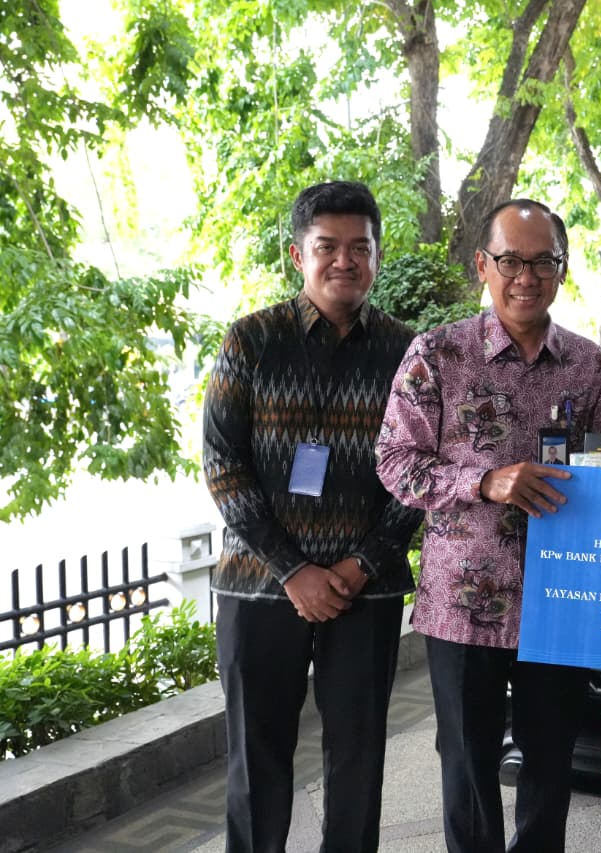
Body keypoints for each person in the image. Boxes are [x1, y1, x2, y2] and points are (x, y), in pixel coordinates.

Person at [375, 199, 601, 853]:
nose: (526, 277)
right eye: (511, 260)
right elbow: (394, 463)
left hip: (560, 598)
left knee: (550, 758)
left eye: (543, 262)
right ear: (483, 265)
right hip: (463, 603)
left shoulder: (588, 364)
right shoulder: (437, 354)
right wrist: (483, 480)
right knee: (467, 759)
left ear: (562, 269)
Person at [202, 180, 422, 852]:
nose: (344, 261)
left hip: (366, 588)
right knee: (256, 758)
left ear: (377, 256)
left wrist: (359, 566)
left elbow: (420, 473)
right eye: (328, 246)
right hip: (260, 583)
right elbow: (222, 464)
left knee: (358, 756)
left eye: (360, 247)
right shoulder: (251, 340)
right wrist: (293, 569)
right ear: (299, 255)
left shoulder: (408, 352)